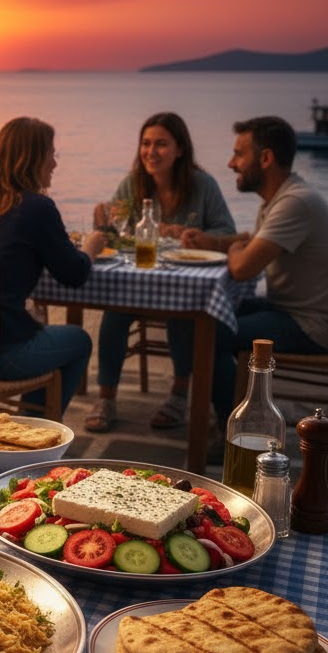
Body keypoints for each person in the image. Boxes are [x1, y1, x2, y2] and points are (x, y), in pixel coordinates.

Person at [182, 115, 328, 435]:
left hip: (311, 326)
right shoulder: (281, 198)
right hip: (289, 310)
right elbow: (252, 241)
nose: (231, 163)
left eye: (238, 154)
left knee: (208, 332)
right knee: (202, 315)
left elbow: (242, 267)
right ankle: (229, 408)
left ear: (266, 158)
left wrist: (232, 250)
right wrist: (214, 243)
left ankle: (233, 430)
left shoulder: (294, 203)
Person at [0, 116, 107, 416]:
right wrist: (91, 248)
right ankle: (33, 429)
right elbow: (74, 274)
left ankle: (25, 427)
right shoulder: (37, 208)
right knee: (79, 341)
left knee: (38, 334)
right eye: (51, 153)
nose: (55, 163)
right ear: (33, 159)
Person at [85, 112, 235, 433]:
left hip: (183, 277)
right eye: (146, 143)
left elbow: (226, 231)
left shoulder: (202, 185)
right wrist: (102, 223)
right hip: (139, 278)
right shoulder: (133, 183)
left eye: (161, 144)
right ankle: (106, 398)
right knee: (114, 311)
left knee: (182, 314)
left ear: (180, 149)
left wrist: (195, 234)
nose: (151, 152)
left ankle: (179, 395)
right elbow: (115, 232)